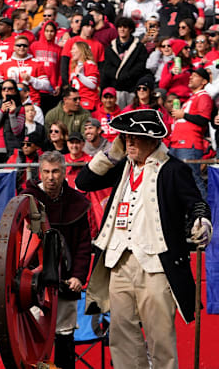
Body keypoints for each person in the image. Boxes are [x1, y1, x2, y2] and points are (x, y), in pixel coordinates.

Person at [75, 109, 212, 369]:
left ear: (152, 140)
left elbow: (196, 202)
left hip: (156, 265)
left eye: (135, 138)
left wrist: (201, 220)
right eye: (126, 138)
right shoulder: (121, 166)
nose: (129, 143)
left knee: (160, 338)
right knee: (121, 335)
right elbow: (84, 181)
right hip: (119, 262)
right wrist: (111, 154)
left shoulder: (173, 169)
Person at [21, 151, 91, 369]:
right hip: (32, 281)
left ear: (64, 173)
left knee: (64, 334)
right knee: (31, 334)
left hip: (66, 278)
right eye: (46, 172)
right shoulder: (27, 200)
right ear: (40, 173)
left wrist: (79, 276)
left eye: (56, 172)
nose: (51, 177)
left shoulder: (77, 202)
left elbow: (83, 245)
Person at [169, 68, 213, 199]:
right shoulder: (191, 98)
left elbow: (203, 119)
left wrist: (184, 115)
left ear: (204, 81)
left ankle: (206, 214)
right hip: (177, 144)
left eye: (195, 76)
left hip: (189, 144)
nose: (190, 77)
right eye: (191, 75)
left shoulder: (204, 96)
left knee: (193, 179)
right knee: (177, 180)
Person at [102, 17, 150, 109]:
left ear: (130, 29)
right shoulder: (110, 48)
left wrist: (126, 75)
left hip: (132, 89)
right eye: (120, 27)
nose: (122, 29)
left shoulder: (139, 48)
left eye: (125, 27)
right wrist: (118, 76)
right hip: (115, 90)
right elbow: (107, 68)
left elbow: (140, 67)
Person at [0, 35, 53, 107]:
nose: (22, 47)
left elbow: (46, 85)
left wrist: (31, 79)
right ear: (14, 47)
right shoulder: (4, 64)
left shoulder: (36, 63)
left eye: (24, 46)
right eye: (19, 45)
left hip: (31, 103)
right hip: (10, 103)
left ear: (28, 47)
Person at [0, 79, 25, 162]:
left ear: (15, 91)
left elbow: (17, 131)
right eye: (4, 89)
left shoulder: (21, 108)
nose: (6, 91)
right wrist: (1, 111)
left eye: (10, 88)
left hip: (12, 150)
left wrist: (12, 114)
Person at [68, 41, 100, 112]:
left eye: (74, 49)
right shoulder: (75, 66)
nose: (71, 51)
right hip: (77, 102)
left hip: (88, 103)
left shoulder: (90, 64)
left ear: (81, 50)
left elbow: (92, 84)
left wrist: (79, 75)